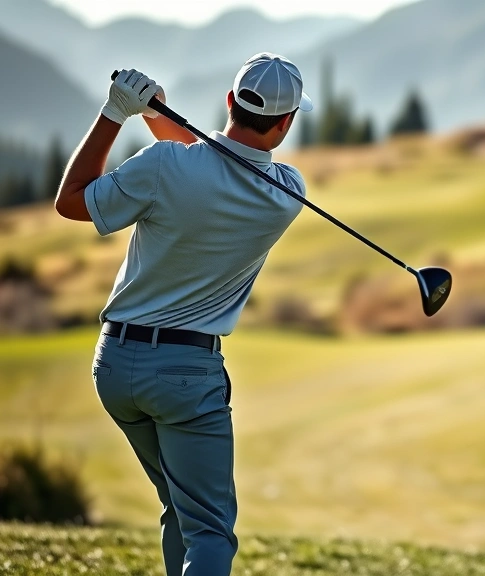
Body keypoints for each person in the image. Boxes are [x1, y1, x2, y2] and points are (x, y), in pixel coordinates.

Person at [53, 53, 314, 576]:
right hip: (188, 377)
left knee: (182, 508)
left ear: (229, 102)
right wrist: (155, 116)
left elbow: (71, 200)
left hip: (115, 366)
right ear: (285, 124)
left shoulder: (163, 166)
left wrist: (117, 113)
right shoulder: (287, 193)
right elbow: (210, 160)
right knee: (210, 529)